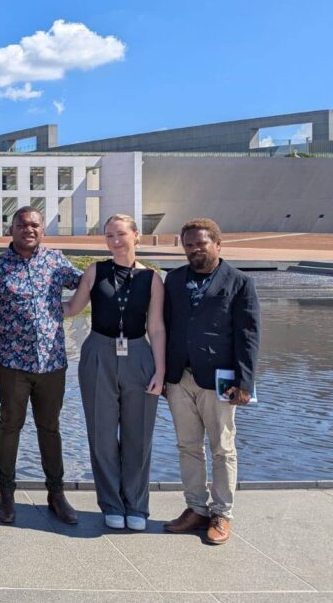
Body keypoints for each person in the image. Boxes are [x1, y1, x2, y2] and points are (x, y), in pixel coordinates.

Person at [0, 206, 83, 525]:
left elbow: (87, 284)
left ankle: (56, 493)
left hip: (52, 364)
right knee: (10, 427)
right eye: (22, 224)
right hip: (11, 363)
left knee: (50, 429)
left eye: (35, 225)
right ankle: (6, 494)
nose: (29, 229)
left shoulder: (56, 262)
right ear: (12, 229)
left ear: (42, 230)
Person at [63, 214, 166, 531]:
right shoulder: (96, 271)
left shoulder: (152, 279)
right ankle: (111, 503)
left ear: (137, 236)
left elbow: (157, 328)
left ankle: (136, 505)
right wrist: (31, 304)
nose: (115, 241)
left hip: (138, 354)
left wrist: (160, 371)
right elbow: (71, 309)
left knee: (139, 435)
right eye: (109, 236)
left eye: (121, 234)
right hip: (98, 352)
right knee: (102, 434)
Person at [161, 218, 260, 545]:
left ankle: (221, 513)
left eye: (200, 244)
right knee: (188, 447)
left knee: (222, 448)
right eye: (188, 245)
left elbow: (248, 335)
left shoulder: (239, 282)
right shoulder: (173, 280)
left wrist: (244, 381)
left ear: (218, 244)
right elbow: (162, 328)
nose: (194, 250)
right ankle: (196, 509)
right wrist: (161, 376)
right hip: (179, 378)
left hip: (220, 380)